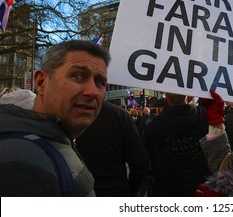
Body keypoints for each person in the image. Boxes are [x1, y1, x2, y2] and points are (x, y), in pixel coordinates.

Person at [0, 40, 110, 196]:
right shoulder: (23, 159)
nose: (92, 91)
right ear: (41, 82)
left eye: (100, 82)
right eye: (78, 76)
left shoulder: (51, 142)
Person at [143, 92, 211, 196]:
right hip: (203, 189)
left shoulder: (153, 126)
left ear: (166, 100)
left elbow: (147, 159)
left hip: (168, 191)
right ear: (188, 97)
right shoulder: (203, 116)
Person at [76, 101, 149, 196]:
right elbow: (139, 162)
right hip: (116, 190)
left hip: (81, 190)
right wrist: (132, 190)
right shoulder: (119, 115)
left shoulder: (70, 115)